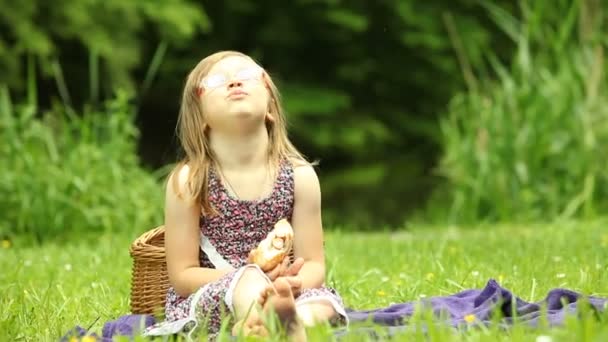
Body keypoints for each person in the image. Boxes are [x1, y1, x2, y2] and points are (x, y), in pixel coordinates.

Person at [143, 51, 348, 341]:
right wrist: (247, 277)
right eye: (217, 81)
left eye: (247, 75)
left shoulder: (300, 177)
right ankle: (261, 321)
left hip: (284, 290)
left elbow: (314, 263)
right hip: (215, 296)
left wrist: (290, 283)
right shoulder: (190, 181)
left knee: (322, 303)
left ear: (270, 107)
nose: (234, 83)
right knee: (248, 279)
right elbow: (183, 275)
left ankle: (289, 321)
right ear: (200, 116)